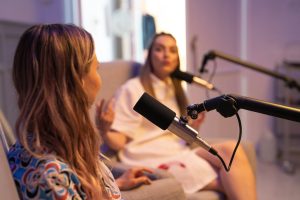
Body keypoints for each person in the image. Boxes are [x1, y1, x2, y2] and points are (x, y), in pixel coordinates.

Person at [98, 32, 257, 200]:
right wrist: (105, 129)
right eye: (159, 49)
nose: (166, 54)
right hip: (149, 156)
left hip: (178, 150)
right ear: (150, 55)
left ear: (177, 58)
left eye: (172, 50)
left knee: (231, 149)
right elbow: (119, 143)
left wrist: (193, 127)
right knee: (230, 179)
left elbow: (175, 131)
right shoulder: (133, 89)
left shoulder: (175, 89)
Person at [7, 24, 153, 200]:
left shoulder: (32, 149)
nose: (100, 80)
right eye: (96, 69)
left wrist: (114, 184)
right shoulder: (51, 177)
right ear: (76, 81)